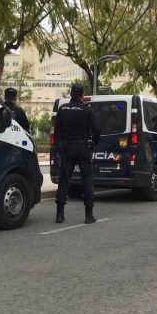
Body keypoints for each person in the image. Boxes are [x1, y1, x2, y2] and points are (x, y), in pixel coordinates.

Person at [55, 83, 101, 224]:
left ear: (70, 93)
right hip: (83, 148)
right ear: (82, 95)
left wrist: (61, 144)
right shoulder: (86, 110)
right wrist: (93, 143)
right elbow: (97, 129)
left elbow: (57, 131)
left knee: (64, 180)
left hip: (68, 148)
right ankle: (88, 215)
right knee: (87, 180)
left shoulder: (62, 109)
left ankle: (60, 215)